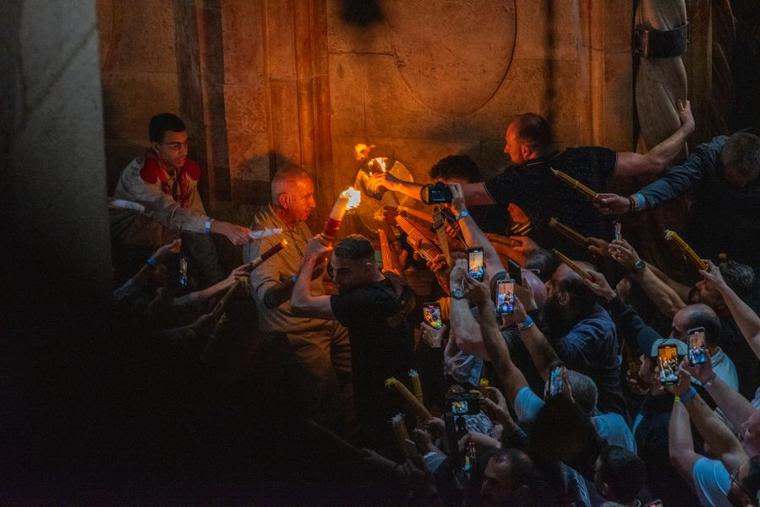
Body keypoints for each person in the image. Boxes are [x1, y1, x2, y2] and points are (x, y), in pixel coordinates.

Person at [368, 103, 694, 256]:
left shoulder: (519, 180)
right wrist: (686, 128)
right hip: (607, 254)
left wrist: (394, 184)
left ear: (526, 150)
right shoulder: (587, 156)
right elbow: (655, 161)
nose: (504, 149)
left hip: (562, 262)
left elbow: (450, 194)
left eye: (508, 145)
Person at [244, 166, 353, 434]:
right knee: (325, 397)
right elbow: (268, 298)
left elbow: (316, 268)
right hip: (297, 330)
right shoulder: (264, 239)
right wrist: (302, 273)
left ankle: (356, 418)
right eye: (307, 197)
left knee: (362, 351)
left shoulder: (297, 223)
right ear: (285, 200)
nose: (313, 204)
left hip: (322, 316)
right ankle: (329, 445)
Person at [291, 234, 415, 449]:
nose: (337, 279)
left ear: (368, 267)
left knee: (383, 452)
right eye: (334, 270)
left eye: (345, 272)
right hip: (401, 387)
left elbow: (299, 304)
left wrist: (310, 258)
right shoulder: (395, 286)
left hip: (378, 397)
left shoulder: (365, 300)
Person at [112, 113, 251, 285]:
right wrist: (218, 226)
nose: (184, 151)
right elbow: (172, 214)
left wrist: (216, 280)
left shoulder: (184, 173)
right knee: (154, 292)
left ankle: (195, 286)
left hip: (173, 245)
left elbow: (195, 218)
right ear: (156, 147)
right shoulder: (140, 177)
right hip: (138, 250)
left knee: (186, 271)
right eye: (175, 146)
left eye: (185, 144)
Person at [597, 132, 760, 267]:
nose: (743, 184)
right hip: (709, 223)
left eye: (748, 178)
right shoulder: (708, 157)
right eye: (738, 178)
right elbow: (673, 183)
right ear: (724, 163)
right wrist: (631, 202)